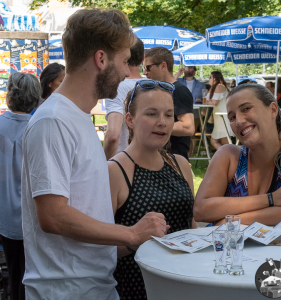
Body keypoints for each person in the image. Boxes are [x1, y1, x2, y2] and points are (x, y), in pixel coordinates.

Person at [21, 9, 168, 299]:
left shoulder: (76, 116)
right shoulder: (54, 120)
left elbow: (85, 209)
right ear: (101, 59)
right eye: (125, 61)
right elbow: (53, 216)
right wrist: (131, 233)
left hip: (90, 286)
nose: (128, 72)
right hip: (66, 290)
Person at [108, 80, 196, 300]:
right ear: (130, 120)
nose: (162, 122)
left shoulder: (180, 165)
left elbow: (191, 225)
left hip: (185, 281)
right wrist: (135, 238)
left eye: (168, 115)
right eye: (151, 114)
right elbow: (99, 247)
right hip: (138, 286)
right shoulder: (115, 170)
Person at [194, 84, 281, 226]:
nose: (239, 121)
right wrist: (271, 199)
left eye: (246, 109)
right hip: (224, 248)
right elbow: (201, 210)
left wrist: (229, 222)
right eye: (232, 117)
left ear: (273, 110)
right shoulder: (229, 155)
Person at [0, 73, 41, 300]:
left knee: (15, 275)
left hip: (6, 218)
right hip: (35, 218)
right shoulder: (39, 128)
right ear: (36, 97)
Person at [143, 47, 195, 160]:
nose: (144, 72)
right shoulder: (159, 90)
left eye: (148, 67)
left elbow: (188, 127)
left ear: (163, 66)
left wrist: (150, 126)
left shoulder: (179, 90)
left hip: (173, 159)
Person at [104, 38, 145, 160]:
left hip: (122, 162)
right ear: (143, 58)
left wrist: (103, 165)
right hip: (151, 163)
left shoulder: (116, 87)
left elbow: (113, 135)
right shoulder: (155, 87)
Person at [206, 71, 233, 150]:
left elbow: (214, 102)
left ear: (215, 78)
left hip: (223, 118)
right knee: (214, 141)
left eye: (210, 77)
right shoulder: (215, 87)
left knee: (225, 143)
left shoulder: (219, 86)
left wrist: (207, 102)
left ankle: (230, 157)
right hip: (219, 118)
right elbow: (208, 100)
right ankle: (225, 156)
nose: (209, 79)